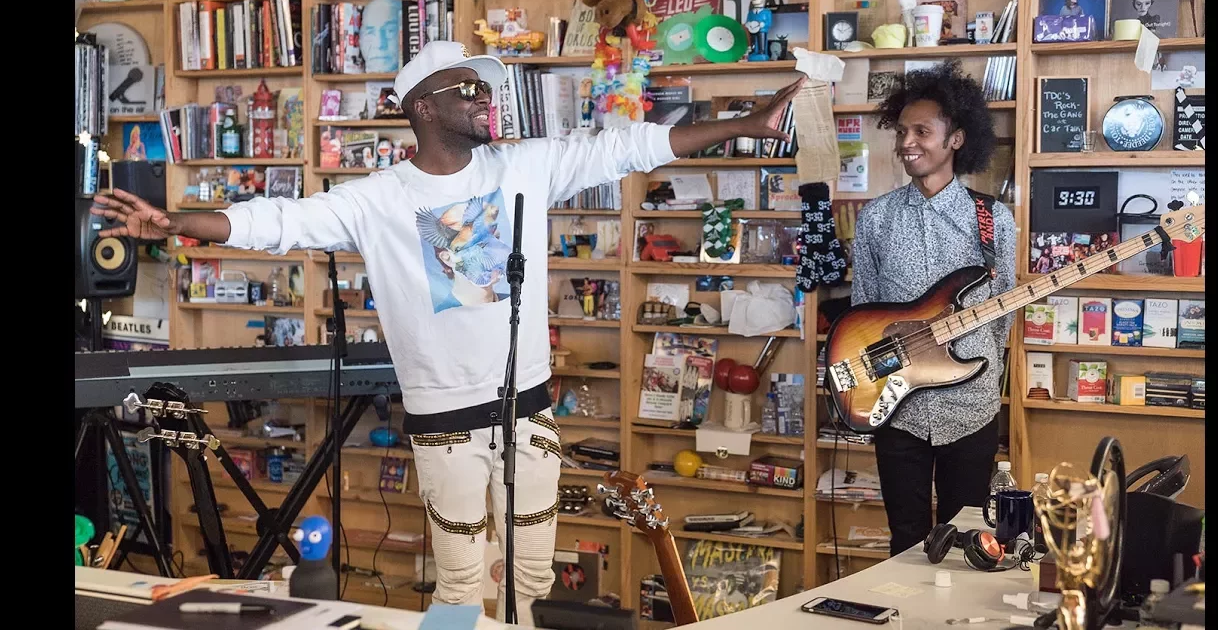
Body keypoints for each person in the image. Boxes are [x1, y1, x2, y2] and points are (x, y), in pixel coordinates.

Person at [93, 41, 802, 624]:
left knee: (534, 583)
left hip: (528, 415)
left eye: (484, 89)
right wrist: (174, 221)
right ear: (423, 107)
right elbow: (275, 223)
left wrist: (745, 125)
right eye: (465, 89)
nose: (482, 99)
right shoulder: (376, 200)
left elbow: (635, 146)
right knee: (461, 588)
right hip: (445, 425)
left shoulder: (526, 166)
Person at [851, 60, 1016, 557]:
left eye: (922, 131)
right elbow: (863, 312)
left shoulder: (992, 218)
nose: (907, 142)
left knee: (968, 538)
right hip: (897, 405)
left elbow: (1003, 312)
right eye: (902, 131)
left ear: (957, 140)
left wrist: (984, 364)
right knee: (904, 537)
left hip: (972, 404)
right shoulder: (876, 217)